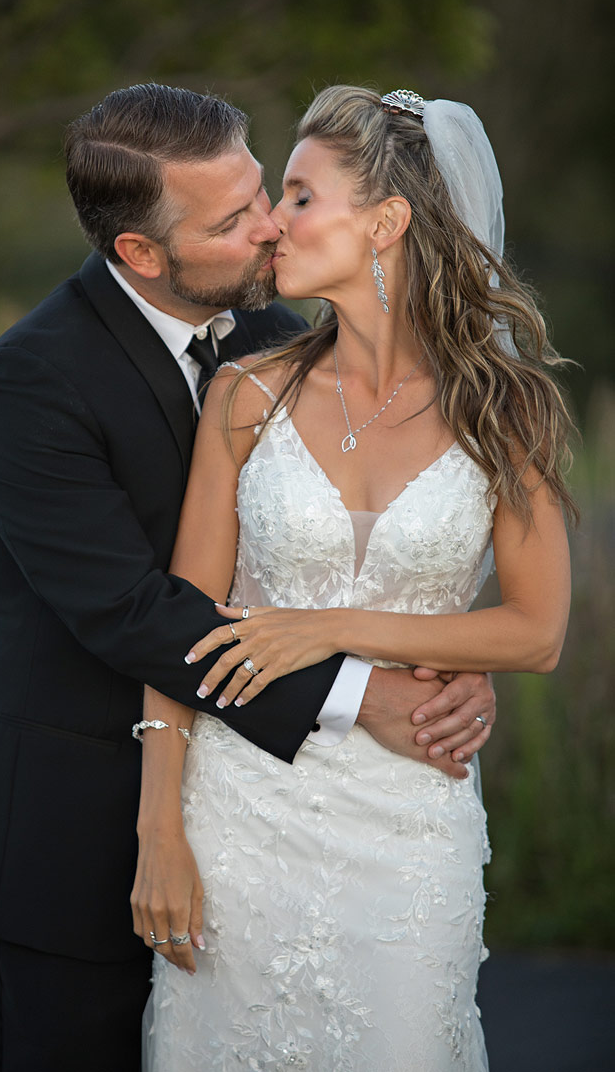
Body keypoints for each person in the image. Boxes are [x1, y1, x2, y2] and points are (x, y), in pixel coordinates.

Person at [0, 83, 496, 1071]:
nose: (269, 229)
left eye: (267, 193)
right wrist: (367, 694)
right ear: (141, 254)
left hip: (253, 837)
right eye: (235, 218)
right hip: (75, 844)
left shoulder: (273, 337)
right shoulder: (33, 380)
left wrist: (446, 655)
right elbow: (135, 612)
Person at [133, 86, 576, 1071]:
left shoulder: (505, 411)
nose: (271, 222)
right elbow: (182, 625)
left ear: (385, 221)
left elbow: (536, 630)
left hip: (413, 816)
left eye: (298, 195)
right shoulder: (246, 394)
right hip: (240, 815)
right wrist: (159, 825)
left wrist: (330, 624)